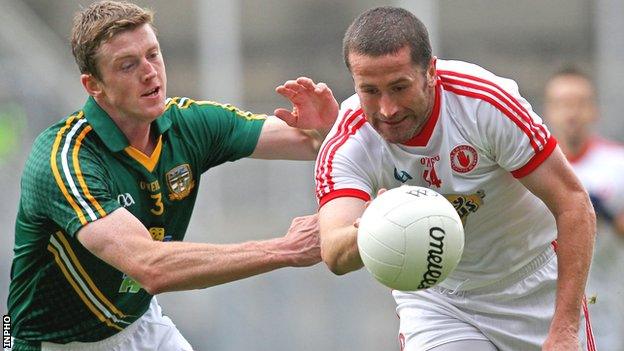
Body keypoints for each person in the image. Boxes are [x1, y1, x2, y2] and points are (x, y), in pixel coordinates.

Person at [6, 1, 339, 350]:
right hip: (47, 342)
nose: (149, 73)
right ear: (94, 86)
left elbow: (309, 141)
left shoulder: (187, 124)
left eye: (153, 55)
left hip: (138, 325)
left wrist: (327, 129)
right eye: (127, 65)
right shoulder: (64, 157)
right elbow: (149, 267)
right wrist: (285, 249)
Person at [289, 6, 596, 351]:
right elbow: (334, 251)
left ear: (430, 72)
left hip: (532, 284)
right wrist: (382, 224)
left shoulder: (484, 104)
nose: (387, 109)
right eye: (370, 91)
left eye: (399, 87)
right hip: (437, 300)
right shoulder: (348, 140)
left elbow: (573, 203)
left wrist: (566, 326)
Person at [544, 67, 624, 349]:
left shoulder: (618, 164)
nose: (572, 113)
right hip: (541, 311)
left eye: (579, 103)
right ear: (549, 111)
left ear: (594, 110)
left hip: (603, 311)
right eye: (563, 104)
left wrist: (606, 214)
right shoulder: (533, 171)